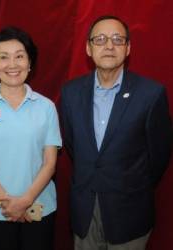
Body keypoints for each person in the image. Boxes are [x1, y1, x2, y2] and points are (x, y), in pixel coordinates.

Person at [60, 15, 172, 250]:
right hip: (84, 211)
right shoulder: (70, 93)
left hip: (130, 212)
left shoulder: (151, 94)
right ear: (88, 49)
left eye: (117, 39)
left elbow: (159, 156)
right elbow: (72, 145)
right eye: (100, 39)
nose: (109, 46)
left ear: (128, 48)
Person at [0, 26, 62, 250]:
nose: (12, 64)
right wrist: (8, 203)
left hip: (38, 207)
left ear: (30, 63)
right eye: (4, 57)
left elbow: (50, 163)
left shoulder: (46, 107)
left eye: (19, 56)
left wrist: (25, 201)